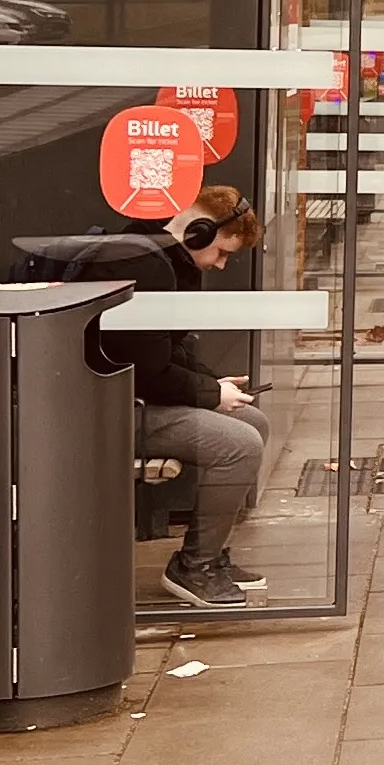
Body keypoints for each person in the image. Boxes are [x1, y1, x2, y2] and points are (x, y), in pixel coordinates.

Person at [131, 187, 273, 610]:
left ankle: (208, 553)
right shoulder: (148, 267)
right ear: (195, 233)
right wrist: (210, 394)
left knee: (254, 422)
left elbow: (167, 351)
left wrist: (214, 384)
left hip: (137, 396)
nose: (222, 263)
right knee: (239, 444)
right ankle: (196, 565)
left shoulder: (171, 260)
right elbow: (148, 370)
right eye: (222, 252)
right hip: (113, 406)